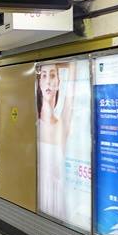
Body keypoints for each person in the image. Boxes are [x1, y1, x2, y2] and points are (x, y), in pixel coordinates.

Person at [36, 62, 77, 222]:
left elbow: (73, 71)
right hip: (38, 192)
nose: (48, 81)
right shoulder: (34, 124)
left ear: (58, 83)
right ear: (39, 83)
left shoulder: (62, 124)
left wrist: (62, 61)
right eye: (44, 76)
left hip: (57, 199)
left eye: (53, 75)